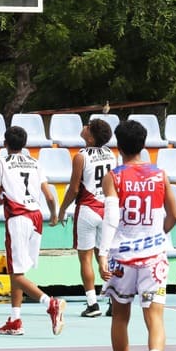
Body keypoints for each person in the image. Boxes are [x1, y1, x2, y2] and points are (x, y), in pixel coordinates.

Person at [98, 120, 176, 351]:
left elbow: (110, 218)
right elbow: (175, 215)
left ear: (118, 147)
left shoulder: (114, 176)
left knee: (120, 317)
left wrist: (101, 253)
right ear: (144, 144)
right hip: (154, 257)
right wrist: (157, 237)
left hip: (122, 257)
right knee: (154, 317)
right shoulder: (160, 175)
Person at [0, 125, 65, 336]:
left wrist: (6, 196)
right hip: (36, 218)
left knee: (15, 274)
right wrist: (54, 214)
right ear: (24, 145)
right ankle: (15, 320)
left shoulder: (2, 162)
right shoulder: (35, 163)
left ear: (5, 144)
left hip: (18, 218)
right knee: (19, 271)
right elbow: (50, 196)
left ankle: (50, 303)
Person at [57, 118, 117, 318]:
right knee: (105, 256)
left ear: (90, 138)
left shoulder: (81, 157)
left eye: (88, 127)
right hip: (107, 209)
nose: (84, 127)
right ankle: (112, 301)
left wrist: (62, 209)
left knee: (86, 259)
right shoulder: (110, 154)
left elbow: (74, 189)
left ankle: (92, 304)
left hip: (88, 209)